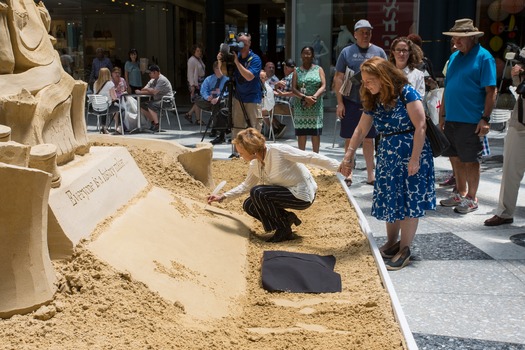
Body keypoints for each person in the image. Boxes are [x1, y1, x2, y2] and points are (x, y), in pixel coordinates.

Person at [339, 57, 436, 270]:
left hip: (410, 150)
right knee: (391, 198)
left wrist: (415, 158)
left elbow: (420, 126)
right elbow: (360, 129)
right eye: (364, 81)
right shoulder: (374, 98)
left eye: (370, 80)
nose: (366, 85)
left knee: (409, 200)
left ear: (384, 78)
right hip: (388, 153)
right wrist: (349, 154)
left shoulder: (406, 92)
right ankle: (392, 243)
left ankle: (405, 248)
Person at [207, 128, 340, 243]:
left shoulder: (278, 150)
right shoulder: (255, 164)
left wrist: (338, 167)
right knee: (249, 204)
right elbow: (245, 186)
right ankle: (286, 220)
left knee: (258, 192)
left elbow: (310, 157)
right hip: (284, 193)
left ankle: (283, 229)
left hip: (301, 195)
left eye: (241, 153)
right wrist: (222, 197)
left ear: (252, 150)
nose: (240, 156)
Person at [438, 18, 496, 214]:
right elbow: (448, 88)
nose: (456, 41)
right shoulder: (454, 57)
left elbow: (491, 91)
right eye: (454, 37)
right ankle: (460, 192)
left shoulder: (484, 57)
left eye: (460, 37)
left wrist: (485, 118)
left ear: (472, 37)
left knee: (471, 159)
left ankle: (472, 197)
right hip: (452, 118)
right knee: (454, 157)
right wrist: (442, 114)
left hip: (471, 119)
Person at [334, 19, 387, 186]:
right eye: (362, 32)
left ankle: (371, 174)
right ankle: (348, 172)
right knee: (350, 138)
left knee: (369, 139)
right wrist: (340, 103)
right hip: (350, 101)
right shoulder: (346, 52)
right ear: (355, 34)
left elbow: (387, 76)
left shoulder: (379, 51)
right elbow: (338, 77)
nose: (365, 35)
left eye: (368, 32)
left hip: (372, 102)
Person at [484, 56, 525, 226]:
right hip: (520, 122)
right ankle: (504, 212)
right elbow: (519, 88)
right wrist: (518, 73)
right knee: (510, 169)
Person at [217, 32, 262, 157]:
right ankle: (237, 154)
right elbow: (225, 73)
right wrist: (220, 61)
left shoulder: (255, 59)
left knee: (253, 129)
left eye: (245, 44)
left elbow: (249, 76)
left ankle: (256, 155)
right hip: (238, 97)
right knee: (237, 128)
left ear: (249, 44)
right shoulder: (235, 56)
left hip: (252, 98)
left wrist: (237, 62)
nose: (242, 46)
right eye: (240, 43)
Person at [292, 46, 326, 153]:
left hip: (315, 105)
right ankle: (302, 159)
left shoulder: (319, 69)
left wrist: (314, 97)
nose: (306, 56)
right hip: (301, 106)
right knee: (302, 133)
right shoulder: (296, 71)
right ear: (301, 55)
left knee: (315, 133)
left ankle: (316, 158)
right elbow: (293, 88)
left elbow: (323, 85)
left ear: (313, 56)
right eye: (304, 53)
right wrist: (305, 98)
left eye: (308, 53)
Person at [195, 61, 229, 144]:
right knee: (197, 100)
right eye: (217, 68)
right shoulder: (209, 79)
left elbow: (227, 92)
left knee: (218, 104)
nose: (219, 70)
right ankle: (216, 128)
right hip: (209, 101)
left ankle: (214, 128)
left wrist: (218, 98)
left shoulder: (227, 79)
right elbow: (203, 90)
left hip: (220, 101)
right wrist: (207, 97)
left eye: (221, 68)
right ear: (214, 69)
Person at [134, 64, 173, 132]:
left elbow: (154, 92)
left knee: (151, 105)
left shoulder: (162, 80)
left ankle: (157, 125)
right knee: (142, 105)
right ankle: (153, 123)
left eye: (150, 73)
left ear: (155, 72)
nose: (149, 74)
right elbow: (144, 89)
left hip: (167, 101)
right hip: (158, 100)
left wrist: (147, 90)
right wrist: (148, 90)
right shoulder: (152, 80)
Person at [273, 58, 297, 138]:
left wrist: (282, 94)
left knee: (262, 111)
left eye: (285, 67)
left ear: (286, 68)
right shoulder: (291, 77)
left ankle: (278, 127)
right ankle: (275, 128)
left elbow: (295, 93)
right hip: (282, 105)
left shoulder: (291, 78)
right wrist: (277, 86)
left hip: (286, 106)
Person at [92, 67, 119, 134]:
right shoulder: (110, 83)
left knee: (103, 106)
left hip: (96, 107)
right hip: (106, 107)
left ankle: (103, 127)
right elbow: (114, 97)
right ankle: (119, 127)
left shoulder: (95, 83)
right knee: (121, 108)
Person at [185, 44, 206, 125]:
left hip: (201, 81)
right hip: (195, 82)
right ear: (193, 51)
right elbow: (190, 73)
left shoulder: (199, 59)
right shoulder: (191, 60)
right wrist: (192, 85)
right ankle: (197, 118)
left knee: (198, 101)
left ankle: (191, 115)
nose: (199, 52)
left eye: (200, 51)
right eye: (197, 51)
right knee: (198, 101)